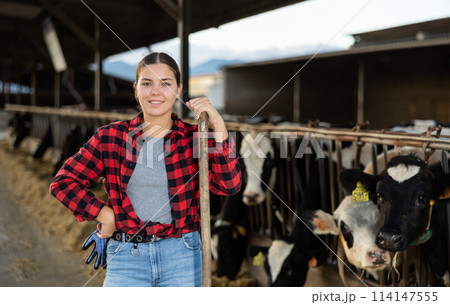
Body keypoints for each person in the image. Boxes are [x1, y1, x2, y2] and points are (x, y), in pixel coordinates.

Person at [49, 52, 242, 287]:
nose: (155, 91)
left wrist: (219, 127)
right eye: (147, 83)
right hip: (126, 256)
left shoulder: (195, 140)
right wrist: (104, 214)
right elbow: (64, 182)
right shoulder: (111, 137)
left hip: (182, 255)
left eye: (166, 84)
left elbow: (228, 185)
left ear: (179, 90)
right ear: (136, 88)